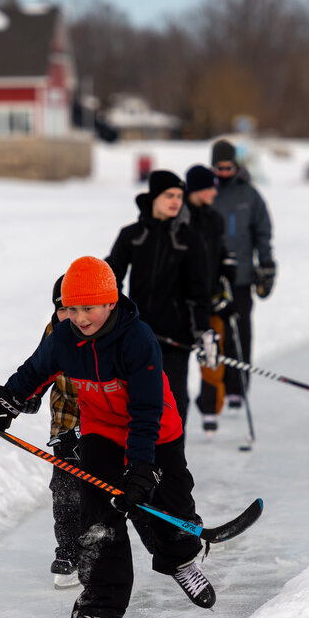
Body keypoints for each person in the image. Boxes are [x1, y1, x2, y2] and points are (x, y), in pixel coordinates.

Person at [0, 256, 216, 618]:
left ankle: (181, 560)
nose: (80, 318)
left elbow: (146, 411)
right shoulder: (64, 338)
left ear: (111, 302)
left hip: (155, 431)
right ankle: (100, 601)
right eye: (73, 308)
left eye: (89, 308)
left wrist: (142, 467)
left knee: (170, 502)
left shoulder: (138, 340)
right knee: (96, 514)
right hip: (101, 430)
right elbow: (33, 374)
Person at [106, 170, 215, 427]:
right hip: (137, 336)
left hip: (175, 340)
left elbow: (199, 291)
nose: (176, 201)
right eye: (169, 195)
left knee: (173, 402)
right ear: (154, 197)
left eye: (179, 196)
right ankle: (139, 462)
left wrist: (202, 331)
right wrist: (117, 319)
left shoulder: (189, 239)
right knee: (136, 401)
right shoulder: (132, 234)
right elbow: (111, 280)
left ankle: (173, 462)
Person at [210, 138, 275, 410]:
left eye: (228, 168)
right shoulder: (205, 192)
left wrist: (267, 265)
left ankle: (238, 388)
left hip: (241, 277)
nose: (223, 173)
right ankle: (215, 390)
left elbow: (263, 233)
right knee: (215, 333)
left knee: (241, 332)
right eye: (219, 168)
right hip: (212, 279)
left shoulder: (249, 194)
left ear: (235, 165)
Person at [185, 164, 237, 435]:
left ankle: (209, 408)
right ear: (197, 189)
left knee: (213, 355)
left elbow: (220, 252)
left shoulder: (214, 219)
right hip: (185, 302)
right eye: (210, 188)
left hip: (211, 297)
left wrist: (227, 266)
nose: (214, 193)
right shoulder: (180, 217)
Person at [42, 275, 83, 588]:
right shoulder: (54, 332)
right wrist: (20, 402)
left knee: (110, 490)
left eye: (77, 308)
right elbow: (39, 371)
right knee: (65, 488)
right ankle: (68, 551)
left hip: (105, 423)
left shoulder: (103, 332)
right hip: (66, 421)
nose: (70, 316)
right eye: (62, 308)